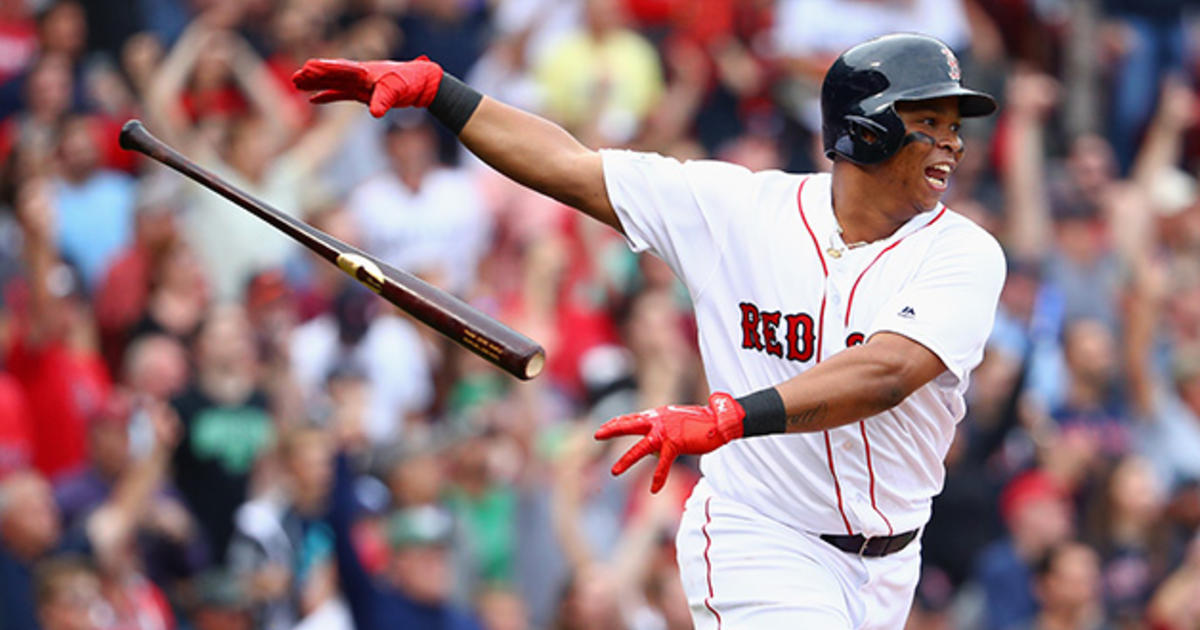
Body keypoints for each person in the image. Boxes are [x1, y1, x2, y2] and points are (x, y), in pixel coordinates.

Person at [292, 31, 1005, 629]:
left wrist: (728, 418)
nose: (952, 144)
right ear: (867, 126)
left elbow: (887, 372)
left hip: (893, 557)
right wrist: (436, 91)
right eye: (930, 121)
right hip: (761, 534)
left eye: (954, 126)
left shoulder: (963, 251)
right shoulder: (739, 210)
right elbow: (571, 168)